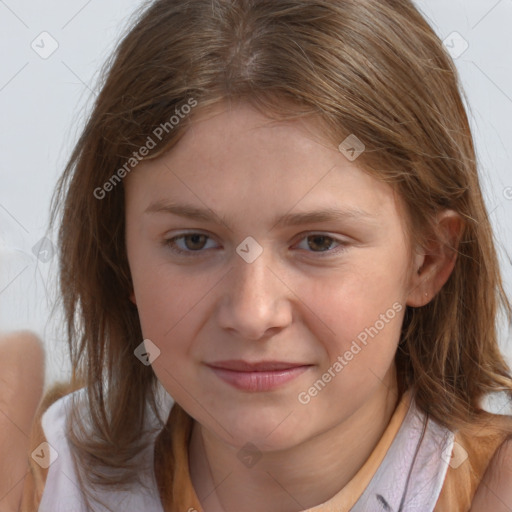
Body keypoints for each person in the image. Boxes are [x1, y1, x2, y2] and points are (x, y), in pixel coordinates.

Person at [13, 0, 512, 510]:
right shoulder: (41, 480)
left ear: (427, 260)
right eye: (194, 241)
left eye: (318, 242)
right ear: (121, 259)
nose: (252, 315)